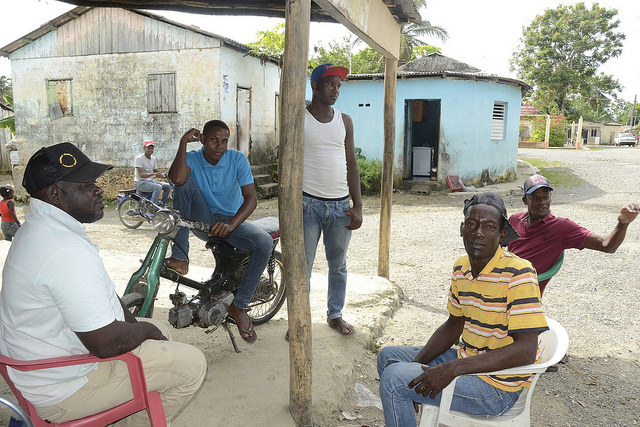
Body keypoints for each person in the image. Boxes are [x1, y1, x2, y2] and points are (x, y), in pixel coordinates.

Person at [0, 143, 206, 425]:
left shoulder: (38, 229)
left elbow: (109, 298)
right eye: (87, 185)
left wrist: (142, 329)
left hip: (39, 370)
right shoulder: (63, 250)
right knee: (192, 365)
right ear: (55, 194)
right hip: (64, 389)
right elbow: (105, 344)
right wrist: (144, 330)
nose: (98, 189)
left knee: (162, 330)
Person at [378, 192, 548, 427]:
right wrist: (415, 369)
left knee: (394, 380)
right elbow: (454, 324)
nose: (478, 232)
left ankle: (403, 394)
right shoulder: (461, 267)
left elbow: (526, 350)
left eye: (489, 227)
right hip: (470, 359)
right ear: (462, 229)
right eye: (471, 224)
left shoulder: (518, 272)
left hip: (497, 386)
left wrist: (451, 369)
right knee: (388, 358)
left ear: (501, 235)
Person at [164, 120, 272, 343]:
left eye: (224, 141)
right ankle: (180, 257)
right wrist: (183, 142)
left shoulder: (237, 159)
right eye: (213, 140)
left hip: (231, 222)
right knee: (184, 185)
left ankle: (239, 306)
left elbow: (251, 199)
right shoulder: (192, 158)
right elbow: (176, 179)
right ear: (202, 139)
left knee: (264, 242)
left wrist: (231, 225)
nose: (220, 146)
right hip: (202, 218)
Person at [506, 174, 639, 296]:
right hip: (501, 282)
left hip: (524, 293)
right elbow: (495, 247)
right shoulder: (515, 220)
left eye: (546, 197)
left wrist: (622, 224)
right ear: (525, 200)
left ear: (550, 199)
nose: (542, 203)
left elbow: (607, 245)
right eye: (536, 198)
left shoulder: (561, 227)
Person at [303, 63, 362, 336]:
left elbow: (352, 163)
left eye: (339, 85)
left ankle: (335, 314)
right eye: (330, 84)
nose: (336, 90)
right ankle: (299, 320)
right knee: (302, 267)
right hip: (307, 204)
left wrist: (357, 205)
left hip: (340, 207)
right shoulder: (299, 118)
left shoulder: (345, 120)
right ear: (315, 86)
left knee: (338, 266)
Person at [134, 140, 171, 206]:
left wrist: (164, 175)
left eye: (152, 148)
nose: (151, 150)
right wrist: (154, 174)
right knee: (158, 187)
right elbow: (141, 175)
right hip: (140, 183)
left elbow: (156, 171)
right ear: (144, 148)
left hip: (149, 182)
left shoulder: (153, 159)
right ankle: (152, 208)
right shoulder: (139, 158)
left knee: (167, 186)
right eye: (149, 148)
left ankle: (161, 205)